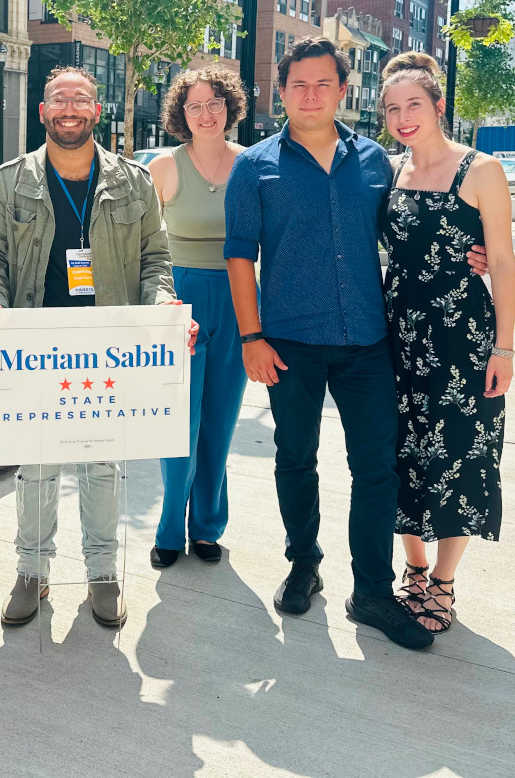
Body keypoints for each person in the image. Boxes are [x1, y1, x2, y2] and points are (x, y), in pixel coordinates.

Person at [224, 36, 445, 651]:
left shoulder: (376, 160)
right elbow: (239, 256)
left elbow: (415, 229)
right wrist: (251, 337)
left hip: (367, 342)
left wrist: (470, 256)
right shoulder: (255, 164)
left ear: (344, 92)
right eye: (299, 84)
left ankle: (372, 589)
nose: (311, 95)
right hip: (289, 342)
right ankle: (304, 562)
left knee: (376, 468)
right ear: (282, 90)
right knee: (295, 459)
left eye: (324, 84)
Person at [0, 66, 190, 630]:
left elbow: (155, 260)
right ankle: (32, 571)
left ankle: (102, 573)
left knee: (102, 464)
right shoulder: (10, 180)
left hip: (106, 349)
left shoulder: (133, 182)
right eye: (59, 100)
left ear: (98, 111)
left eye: (81, 100)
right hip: (35, 348)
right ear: (42, 112)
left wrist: (163, 304)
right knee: (36, 467)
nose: (70, 109)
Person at [379, 52, 513, 633]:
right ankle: (412, 568)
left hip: (463, 336)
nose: (403, 117)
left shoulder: (480, 171)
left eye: (414, 104)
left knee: (461, 454)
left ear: (438, 106)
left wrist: (506, 348)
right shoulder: (388, 171)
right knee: (400, 453)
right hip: (396, 333)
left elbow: (503, 262)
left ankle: (444, 581)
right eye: (391, 108)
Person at [148, 66, 248, 569]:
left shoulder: (251, 165)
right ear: (180, 114)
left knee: (219, 421)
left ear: (229, 107)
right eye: (194, 105)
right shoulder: (164, 168)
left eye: (214, 103)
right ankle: (169, 529)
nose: (206, 113)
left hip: (236, 299)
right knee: (176, 423)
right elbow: (142, 243)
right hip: (177, 300)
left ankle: (207, 527)